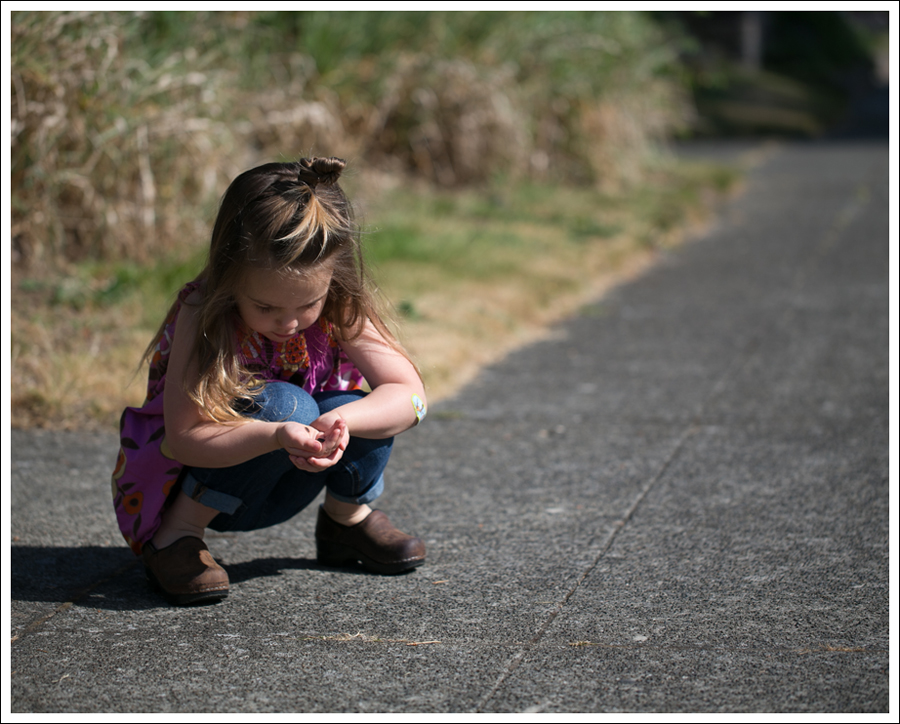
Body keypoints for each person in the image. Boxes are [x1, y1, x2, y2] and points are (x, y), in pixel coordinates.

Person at [111, 157, 428, 606]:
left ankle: (347, 519)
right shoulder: (205, 313)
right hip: (204, 479)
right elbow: (183, 440)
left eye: (308, 304)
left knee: (357, 407)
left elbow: (413, 399)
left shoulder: (341, 304)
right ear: (229, 274)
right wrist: (278, 434)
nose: (290, 323)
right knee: (290, 405)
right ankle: (176, 536)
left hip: (293, 474)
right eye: (265, 308)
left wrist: (341, 420)